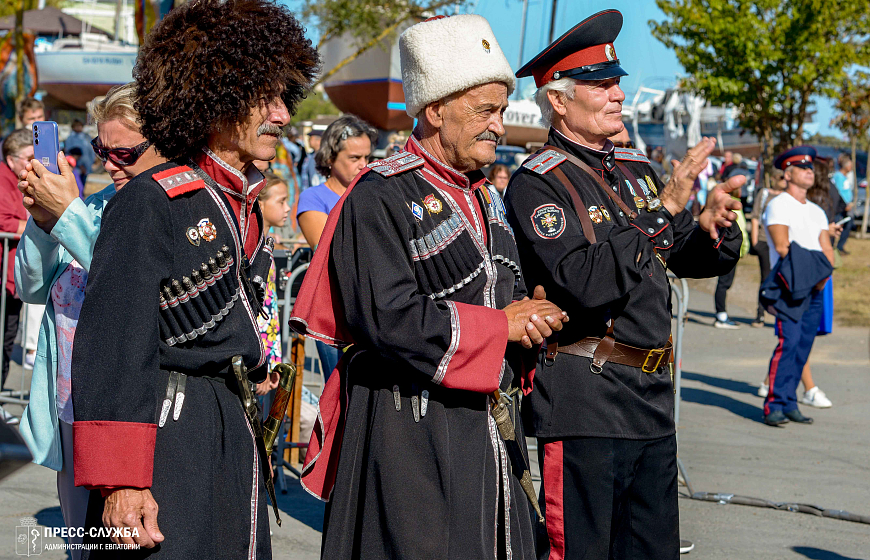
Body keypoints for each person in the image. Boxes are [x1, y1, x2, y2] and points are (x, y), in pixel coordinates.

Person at [290, 14, 567, 559]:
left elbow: (500, 285)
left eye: (502, 111)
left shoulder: (485, 195)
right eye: (484, 110)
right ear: (436, 110)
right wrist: (500, 325)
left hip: (488, 428)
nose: (498, 126)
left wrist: (530, 312)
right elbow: (387, 315)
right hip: (407, 432)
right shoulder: (379, 195)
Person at [67, 1, 319, 556]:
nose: (282, 114)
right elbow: (114, 347)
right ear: (217, 97)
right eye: (267, 98)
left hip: (229, 427)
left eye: (284, 97)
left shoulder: (241, 204)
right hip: (168, 437)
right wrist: (122, 480)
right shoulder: (154, 200)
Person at [504, 10, 743, 559]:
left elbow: (677, 252)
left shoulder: (635, 169)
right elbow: (584, 282)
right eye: (600, 85)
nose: (617, 95)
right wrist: (668, 208)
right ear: (559, 100)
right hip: (588, 398)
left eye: (616, 82)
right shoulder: (538, 181)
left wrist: (714, 228)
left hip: (651, 399)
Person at [15, 82, 167, 558]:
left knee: (127, 545)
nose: (108, 163)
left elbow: (126, 281)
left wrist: (67, 216)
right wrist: (43, 225)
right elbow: (30, 286)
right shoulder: (94, 205)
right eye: (103, 149)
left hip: (128, 414)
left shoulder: (168, 206)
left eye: (123, 152)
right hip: (69, 404)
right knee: (84, 546)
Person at [297, 115, 377, 382]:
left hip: (373, 313)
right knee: (340, 390)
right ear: (330, 157)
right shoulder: (314, 198)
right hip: (335, 313)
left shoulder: (371, 194)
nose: (363, 165)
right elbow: (329, 252)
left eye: (367, 157)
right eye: (354, 158)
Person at [761, 146, 834, 427]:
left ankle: (790, 402)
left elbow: (827, 249)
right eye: (803, 168)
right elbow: (782, 246)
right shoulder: (779, 204)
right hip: (789, 286)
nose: (809, 171)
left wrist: (822, 276)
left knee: (803, 346)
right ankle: (774, 404)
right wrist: (817, 268)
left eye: (810, 168)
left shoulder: (817, 211)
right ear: (788, 174)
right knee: (788, 344)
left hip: (815, 286)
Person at [0, 128, 31, 425]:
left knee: (7, 339)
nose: (34, 163)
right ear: (11, 159)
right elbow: (6, 219)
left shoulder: (23, 181)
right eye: (28, 158)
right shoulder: (3, 180)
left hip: (14, 278)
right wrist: (31, 224)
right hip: (3, 275)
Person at [255, 173, 291, 396]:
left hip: (265, 357)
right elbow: (259, 313)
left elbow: (271, 314)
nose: (288, 208)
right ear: (260, 203)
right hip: (256, 360)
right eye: (281, 201)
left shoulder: (266, 245)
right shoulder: (253, 249)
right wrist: (261, 367)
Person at [750, 168, 786, 328]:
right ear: (773, 178)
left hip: (782, 243)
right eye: (781, 178)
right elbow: (755, 217)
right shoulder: (764, 194)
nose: (784, 181)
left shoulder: (787, 197)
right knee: (766, 278)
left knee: (784, 278)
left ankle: (781, 314)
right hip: (765, 242)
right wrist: (755, 241)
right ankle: (760, 315)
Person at [832, 154, 854, 254]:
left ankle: (840, 247)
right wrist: (844, 205)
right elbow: (837, 192)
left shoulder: (845, 177)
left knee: (848, 225)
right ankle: (832, 247)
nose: (852, 167)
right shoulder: (838, 176)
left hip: (847, 206)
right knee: (837, 225)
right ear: (845, 165)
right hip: (840, 207)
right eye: (850, 165)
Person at [63, 119, 96, 186]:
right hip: (76, 167)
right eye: (76, 126)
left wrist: (92, 162)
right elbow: (69, 153)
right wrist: (78, 165)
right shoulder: (70, 138)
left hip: (86, 166)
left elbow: (91, 151)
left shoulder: (87, 137)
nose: (78, 127)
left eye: (80, 126)